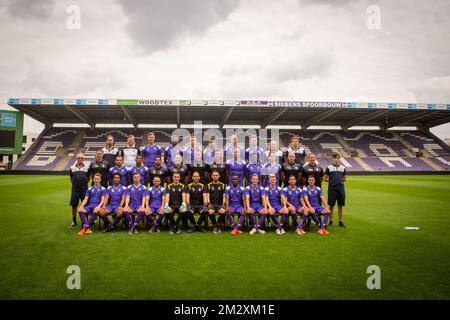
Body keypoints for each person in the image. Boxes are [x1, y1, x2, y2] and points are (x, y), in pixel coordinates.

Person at [324, 153, 347, 228]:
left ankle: (341, 221)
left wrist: (340, 180)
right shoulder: (329, 167)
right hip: (332, 188)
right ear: (332, 159)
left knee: (340, 205)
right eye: (335, 158)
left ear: (339, 159)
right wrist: (331, 181)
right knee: (331, 206)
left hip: (341, 188)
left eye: (337, 158)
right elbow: (325, 178)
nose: (336, 159)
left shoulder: (343, 168)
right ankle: (331, 221)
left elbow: (345, 178)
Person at [69, 153, 89, 227]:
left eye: (81, 158)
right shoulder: (72, 168)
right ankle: (74, 221)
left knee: (85, 205)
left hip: (84, 189)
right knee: (74, 205)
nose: (80, 159)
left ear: (84, 159)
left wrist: (83, 184)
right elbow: (71, 177)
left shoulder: (87, 168)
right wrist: (75, 184)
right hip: (75, 189)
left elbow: (88, 177)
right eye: (79, 158)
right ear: (76, 159)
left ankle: (85, 221)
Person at [206, 170, 226, 234]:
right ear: (211, 176)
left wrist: (223, 203)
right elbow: (207, 195)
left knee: (223, 211)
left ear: (219, 176)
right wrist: (209, 204)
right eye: (214, 175)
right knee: (210, 211)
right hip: (212, 204)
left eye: (216, 175)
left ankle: (218, 225)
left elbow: (224, 195)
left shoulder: (223, 185)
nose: (215, 177)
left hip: (220, 204)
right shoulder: (208, 185)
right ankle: (215, 226)